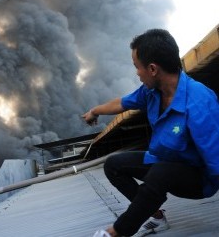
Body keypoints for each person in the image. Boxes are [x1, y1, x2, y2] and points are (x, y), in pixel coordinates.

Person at [82, 29, 219, 237]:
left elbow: (217, 162)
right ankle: (156, 216)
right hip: (163, 162)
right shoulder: (151, 92)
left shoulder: (199, 103)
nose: (137, 73)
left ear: (152, 69)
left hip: (197, 179)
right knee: (114, 165)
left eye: (137, 67)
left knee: (160, 172)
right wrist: (95, 111)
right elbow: (121, 103)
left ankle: (116, 233)